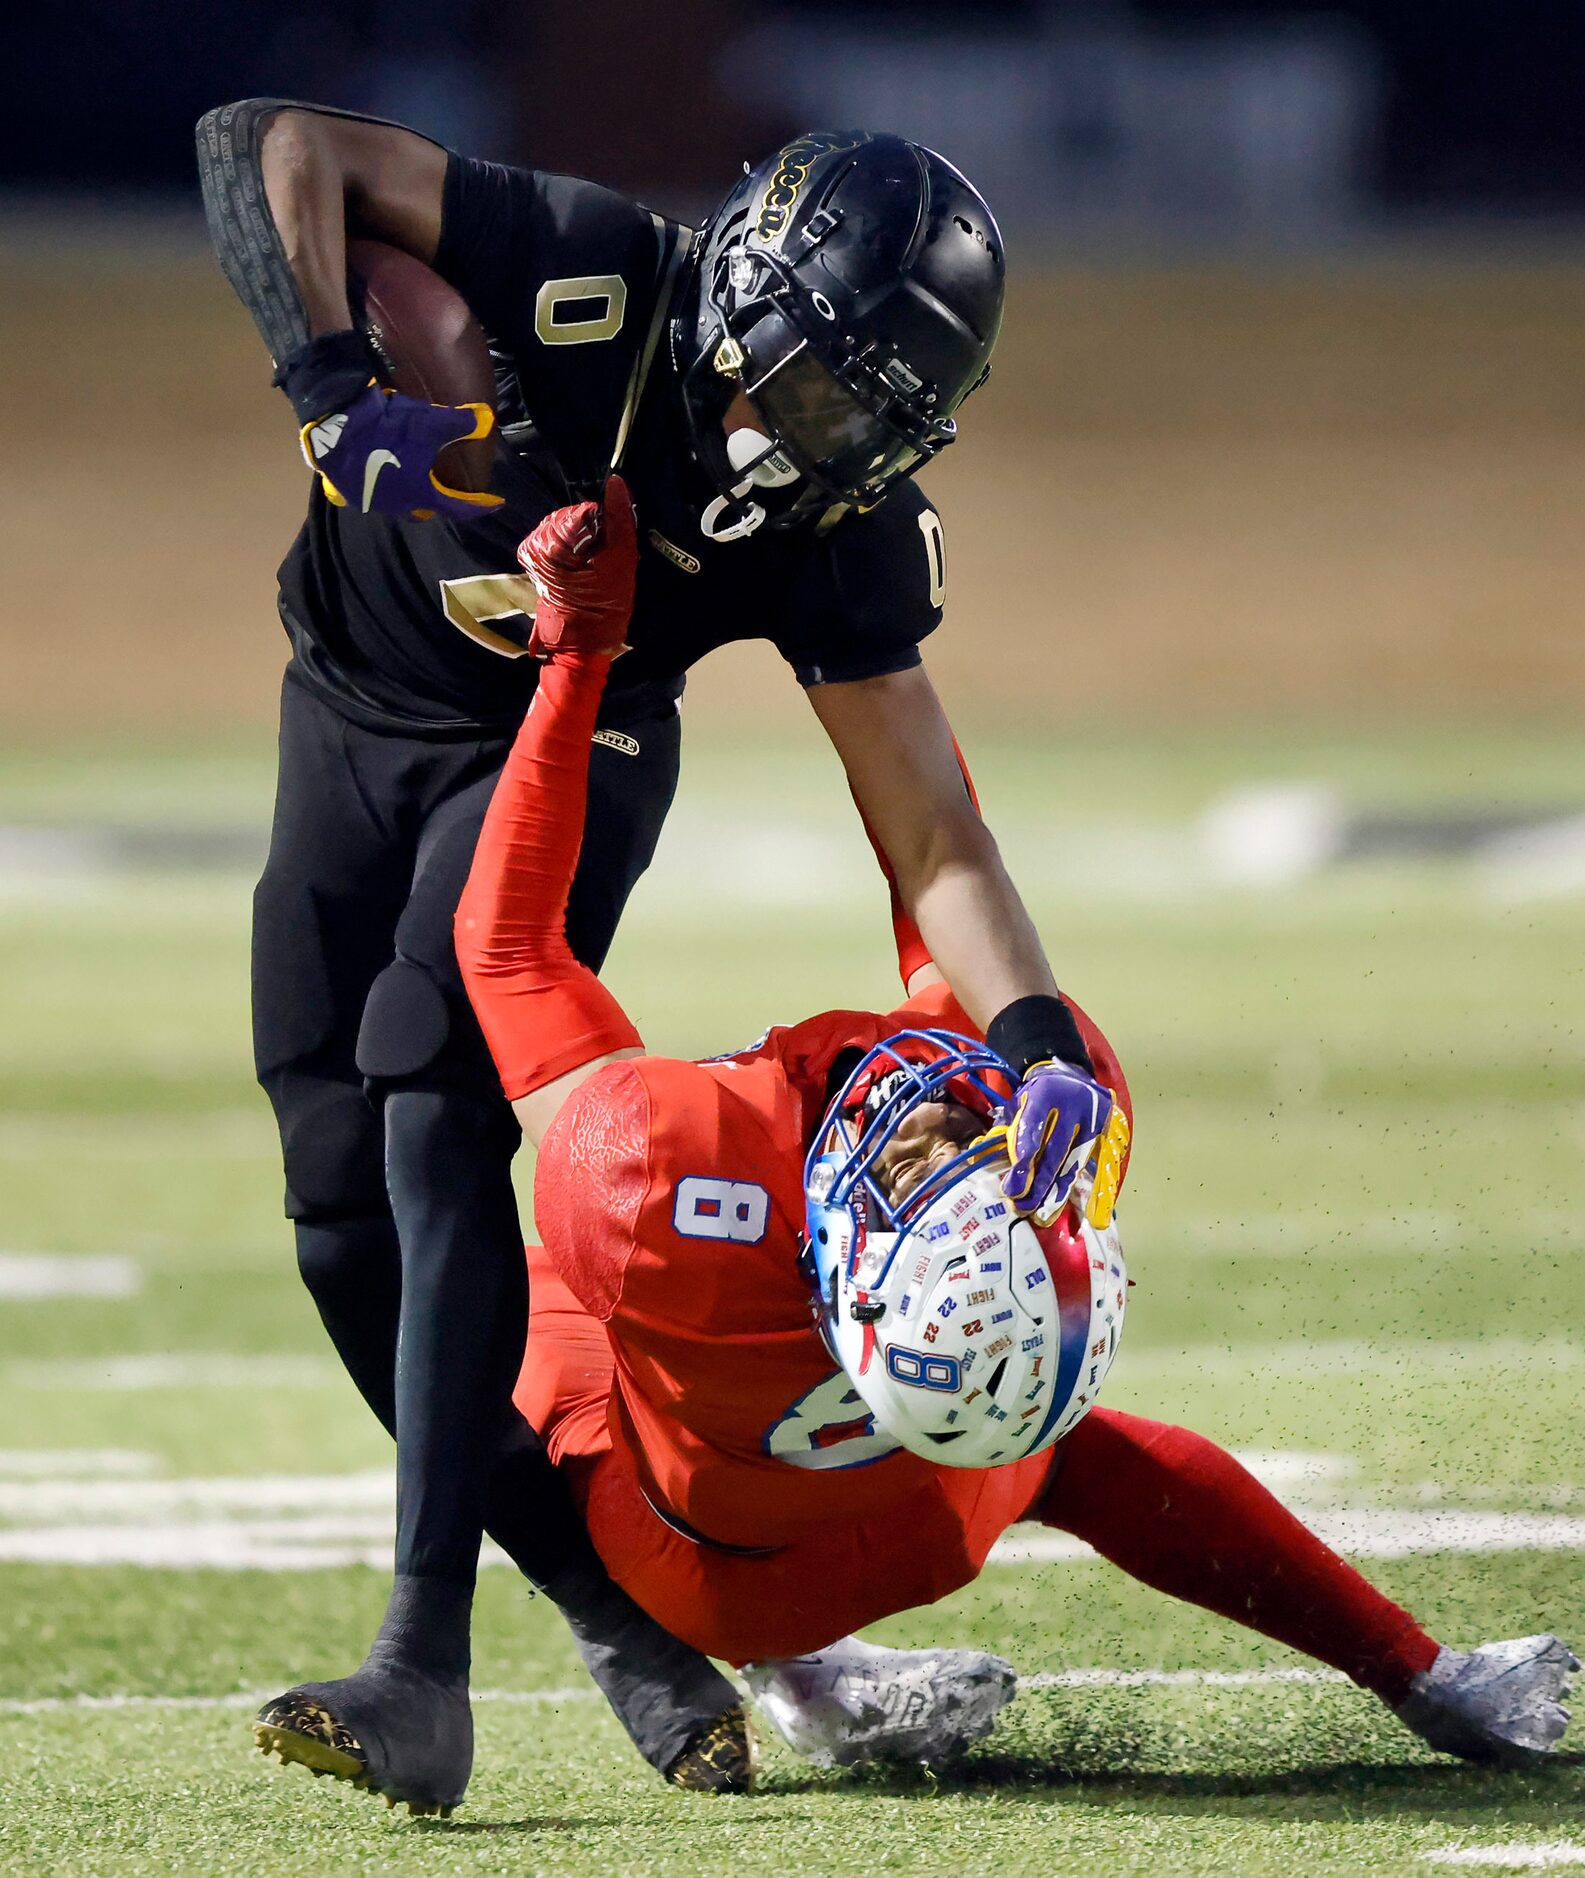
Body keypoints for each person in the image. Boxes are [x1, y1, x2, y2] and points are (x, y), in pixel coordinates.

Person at [197, 103, 1116, 1812]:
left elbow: (933, 828)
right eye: (825, 384)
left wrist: (1041, 1032)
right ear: (747, 294)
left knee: (432, 1108)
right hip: (348, 708)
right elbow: (264, 145)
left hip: (570, 746)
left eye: (872, 416)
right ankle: (616, 1618)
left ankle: (419, 1663)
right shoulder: (582, 266)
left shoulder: (835, 518)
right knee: (337, 1226)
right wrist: (331, 389)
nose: (828, 441)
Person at [458, 485, 1579, 1776]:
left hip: (701, 1568)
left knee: (457, 1245)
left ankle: (790, 1669)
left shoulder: (664, 1173)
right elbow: (935, 865)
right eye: (964, 1162)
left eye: (925, 1166)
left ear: (843, 1255)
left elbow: (503, 946)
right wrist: (866, 656)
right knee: (1069, 1449)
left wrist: (576, 656)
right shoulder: (1057, 1121)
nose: (945, 1118)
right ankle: (1424, 1675)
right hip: (931, 1507)